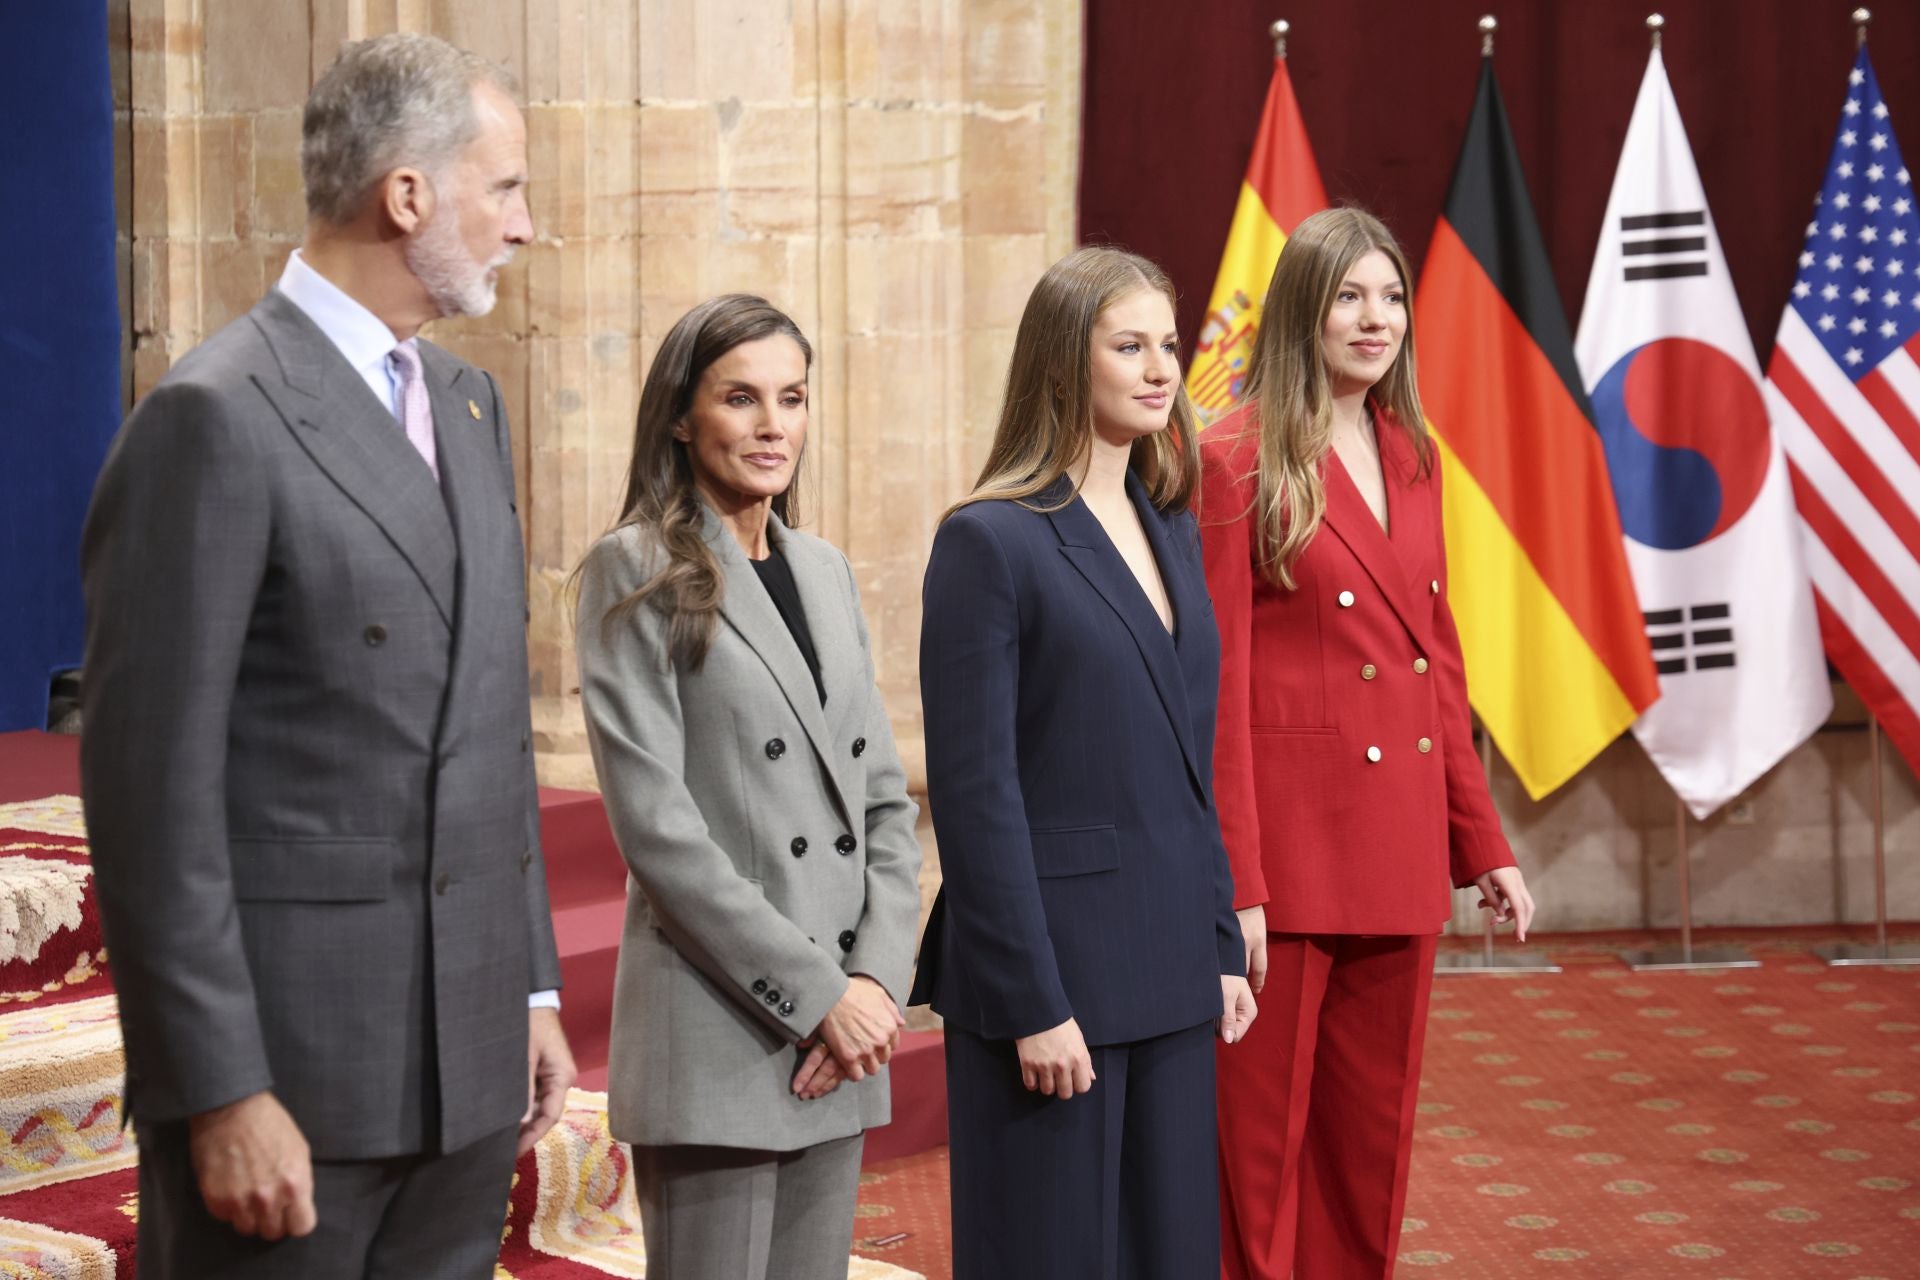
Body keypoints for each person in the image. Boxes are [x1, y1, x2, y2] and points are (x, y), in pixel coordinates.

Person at [79, 33, 574, 1278]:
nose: (526, 225)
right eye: (505, 187)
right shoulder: (214, 415)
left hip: (464, 1063)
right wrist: (220, 1088)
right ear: (405, 195)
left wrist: (526, 987)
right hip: (295, 1079)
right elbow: (151, 801)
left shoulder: (469, 405)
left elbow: (491, 727)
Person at [1200, 206, 1538, 1279]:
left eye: (1390, 296)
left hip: (1394, 847)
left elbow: (1435, 657)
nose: (1375, 317)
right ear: (1303, 308)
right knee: (1254, 1154)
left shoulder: (1414, 454)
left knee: (1369, 1142)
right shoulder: (1233, 456)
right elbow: (1216, 690)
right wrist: (1236, 878)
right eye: (1349, 294)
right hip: (1289, 861)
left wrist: (1482, 843)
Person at [912, 246, 1258, 1278]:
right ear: (1067, 362)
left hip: (1168, 966)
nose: (1160, 368)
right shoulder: (991, 540)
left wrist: (1220, 936)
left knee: (1169, 1256)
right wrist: (1031, 998)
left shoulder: (1173, 531)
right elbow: (978, 796)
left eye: (1166, 343)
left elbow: (1186, 765)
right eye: (1129, 345)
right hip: (1052, 980)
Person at [573, 294, 923, 1280]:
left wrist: (877, 986)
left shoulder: (827, 570)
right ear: (683, 416)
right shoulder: (632, 570)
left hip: (843, 1034)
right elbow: (660, 831)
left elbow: (885, 804)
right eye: (741, 397)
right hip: (726, 1024)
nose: (774, 425)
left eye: (792, 397)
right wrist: (817, 996)